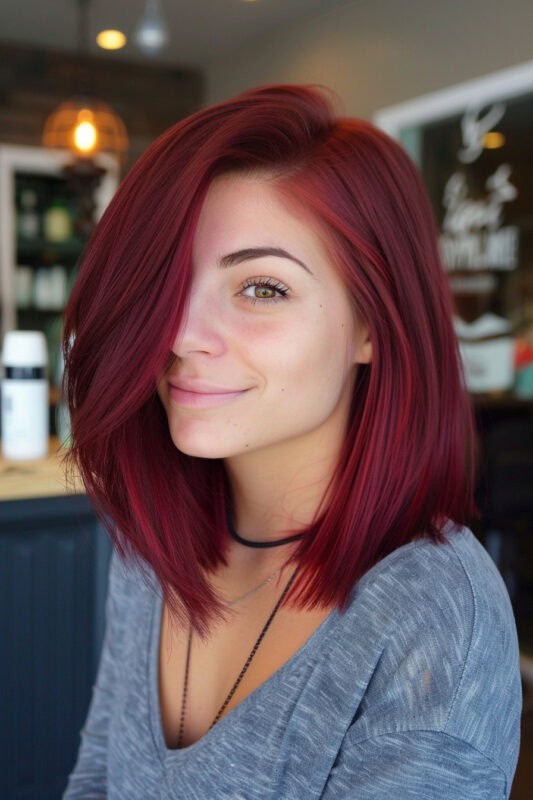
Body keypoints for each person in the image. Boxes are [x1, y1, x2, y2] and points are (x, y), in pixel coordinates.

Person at [61, 83, 522, 799]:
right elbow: (97, 780)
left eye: (262, 289)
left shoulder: (429, 614)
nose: (179, 334)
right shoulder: (150, 549)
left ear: (371, 325)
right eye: (166, 284)